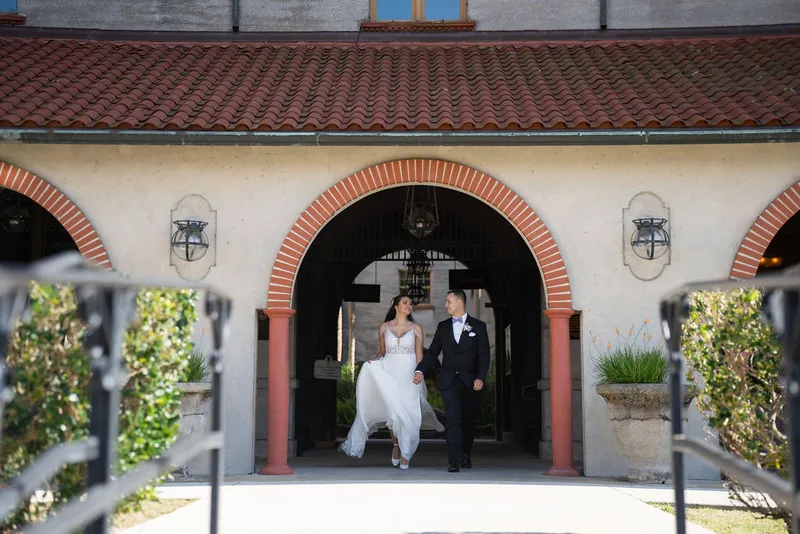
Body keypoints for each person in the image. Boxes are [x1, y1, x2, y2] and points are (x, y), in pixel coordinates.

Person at [339, 294, 444, 469]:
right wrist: (373, 362)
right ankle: (396, 446)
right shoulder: (384, 328)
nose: (409, 305)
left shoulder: (416, 328)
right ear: (396, 306)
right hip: (389, 372)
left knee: (409, 414)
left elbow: (419, 355)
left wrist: (420, 373)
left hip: (409, 374)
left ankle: (406, 453)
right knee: (392, 414)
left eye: (410, 303)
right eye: (405, 303)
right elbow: (382, 352)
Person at [414, 289, 490, 472]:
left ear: (460, 302)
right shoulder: (443, 326)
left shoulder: (478, 327)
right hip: (449, 381)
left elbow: (484, 355)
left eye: (448, 301)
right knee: (453, 419)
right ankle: (453, 460)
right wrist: (420, 370)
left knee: (468, 420)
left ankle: (466, 454)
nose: (446, 305)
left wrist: (480, 377)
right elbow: (433, 352)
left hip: (471, 381)